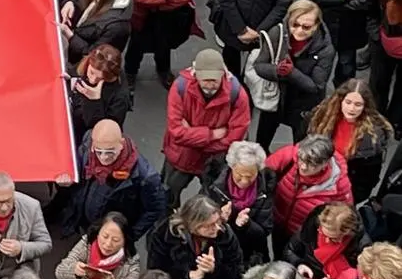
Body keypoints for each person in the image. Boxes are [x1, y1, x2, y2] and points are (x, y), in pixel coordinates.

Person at [162, 48, 252, 200]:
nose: (210, 85)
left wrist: (192, 136)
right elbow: (176, 132)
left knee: (209, 203)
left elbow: (234, 138)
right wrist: (212, 135)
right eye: (205, 80)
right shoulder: (179, 87)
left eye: (214, 80)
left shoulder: (237, 95)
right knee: (167, 197)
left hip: (210, 160)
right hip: (183, 158)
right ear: (196, 75)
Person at [68, 118, 168, 238]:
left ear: (121, 144)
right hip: (85, 222)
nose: (103, 158)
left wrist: (128, 236)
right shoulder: (88, 144)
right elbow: (78, 166)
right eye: (99, 151)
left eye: (110, 152)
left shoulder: (145, 176)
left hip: (112, 234)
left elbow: (154, 210)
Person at [266, 132, 354, 250]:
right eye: (301, 160)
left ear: (325, 164)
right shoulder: (289, 156)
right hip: (277, 222)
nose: (303, 167)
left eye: (311, 164)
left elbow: (344, 216)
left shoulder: (339, 185)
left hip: (303, 236)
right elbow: (261, 173)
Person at [308, 80, 392, 201]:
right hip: (314, 180)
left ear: (365, 106)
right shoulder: (321, 117)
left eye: (358, 104)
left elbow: (369, 177)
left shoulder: (374, 135)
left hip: (345, 191)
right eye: (348, 102)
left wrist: (350, 198)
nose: (351, 108)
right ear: (340, 100)